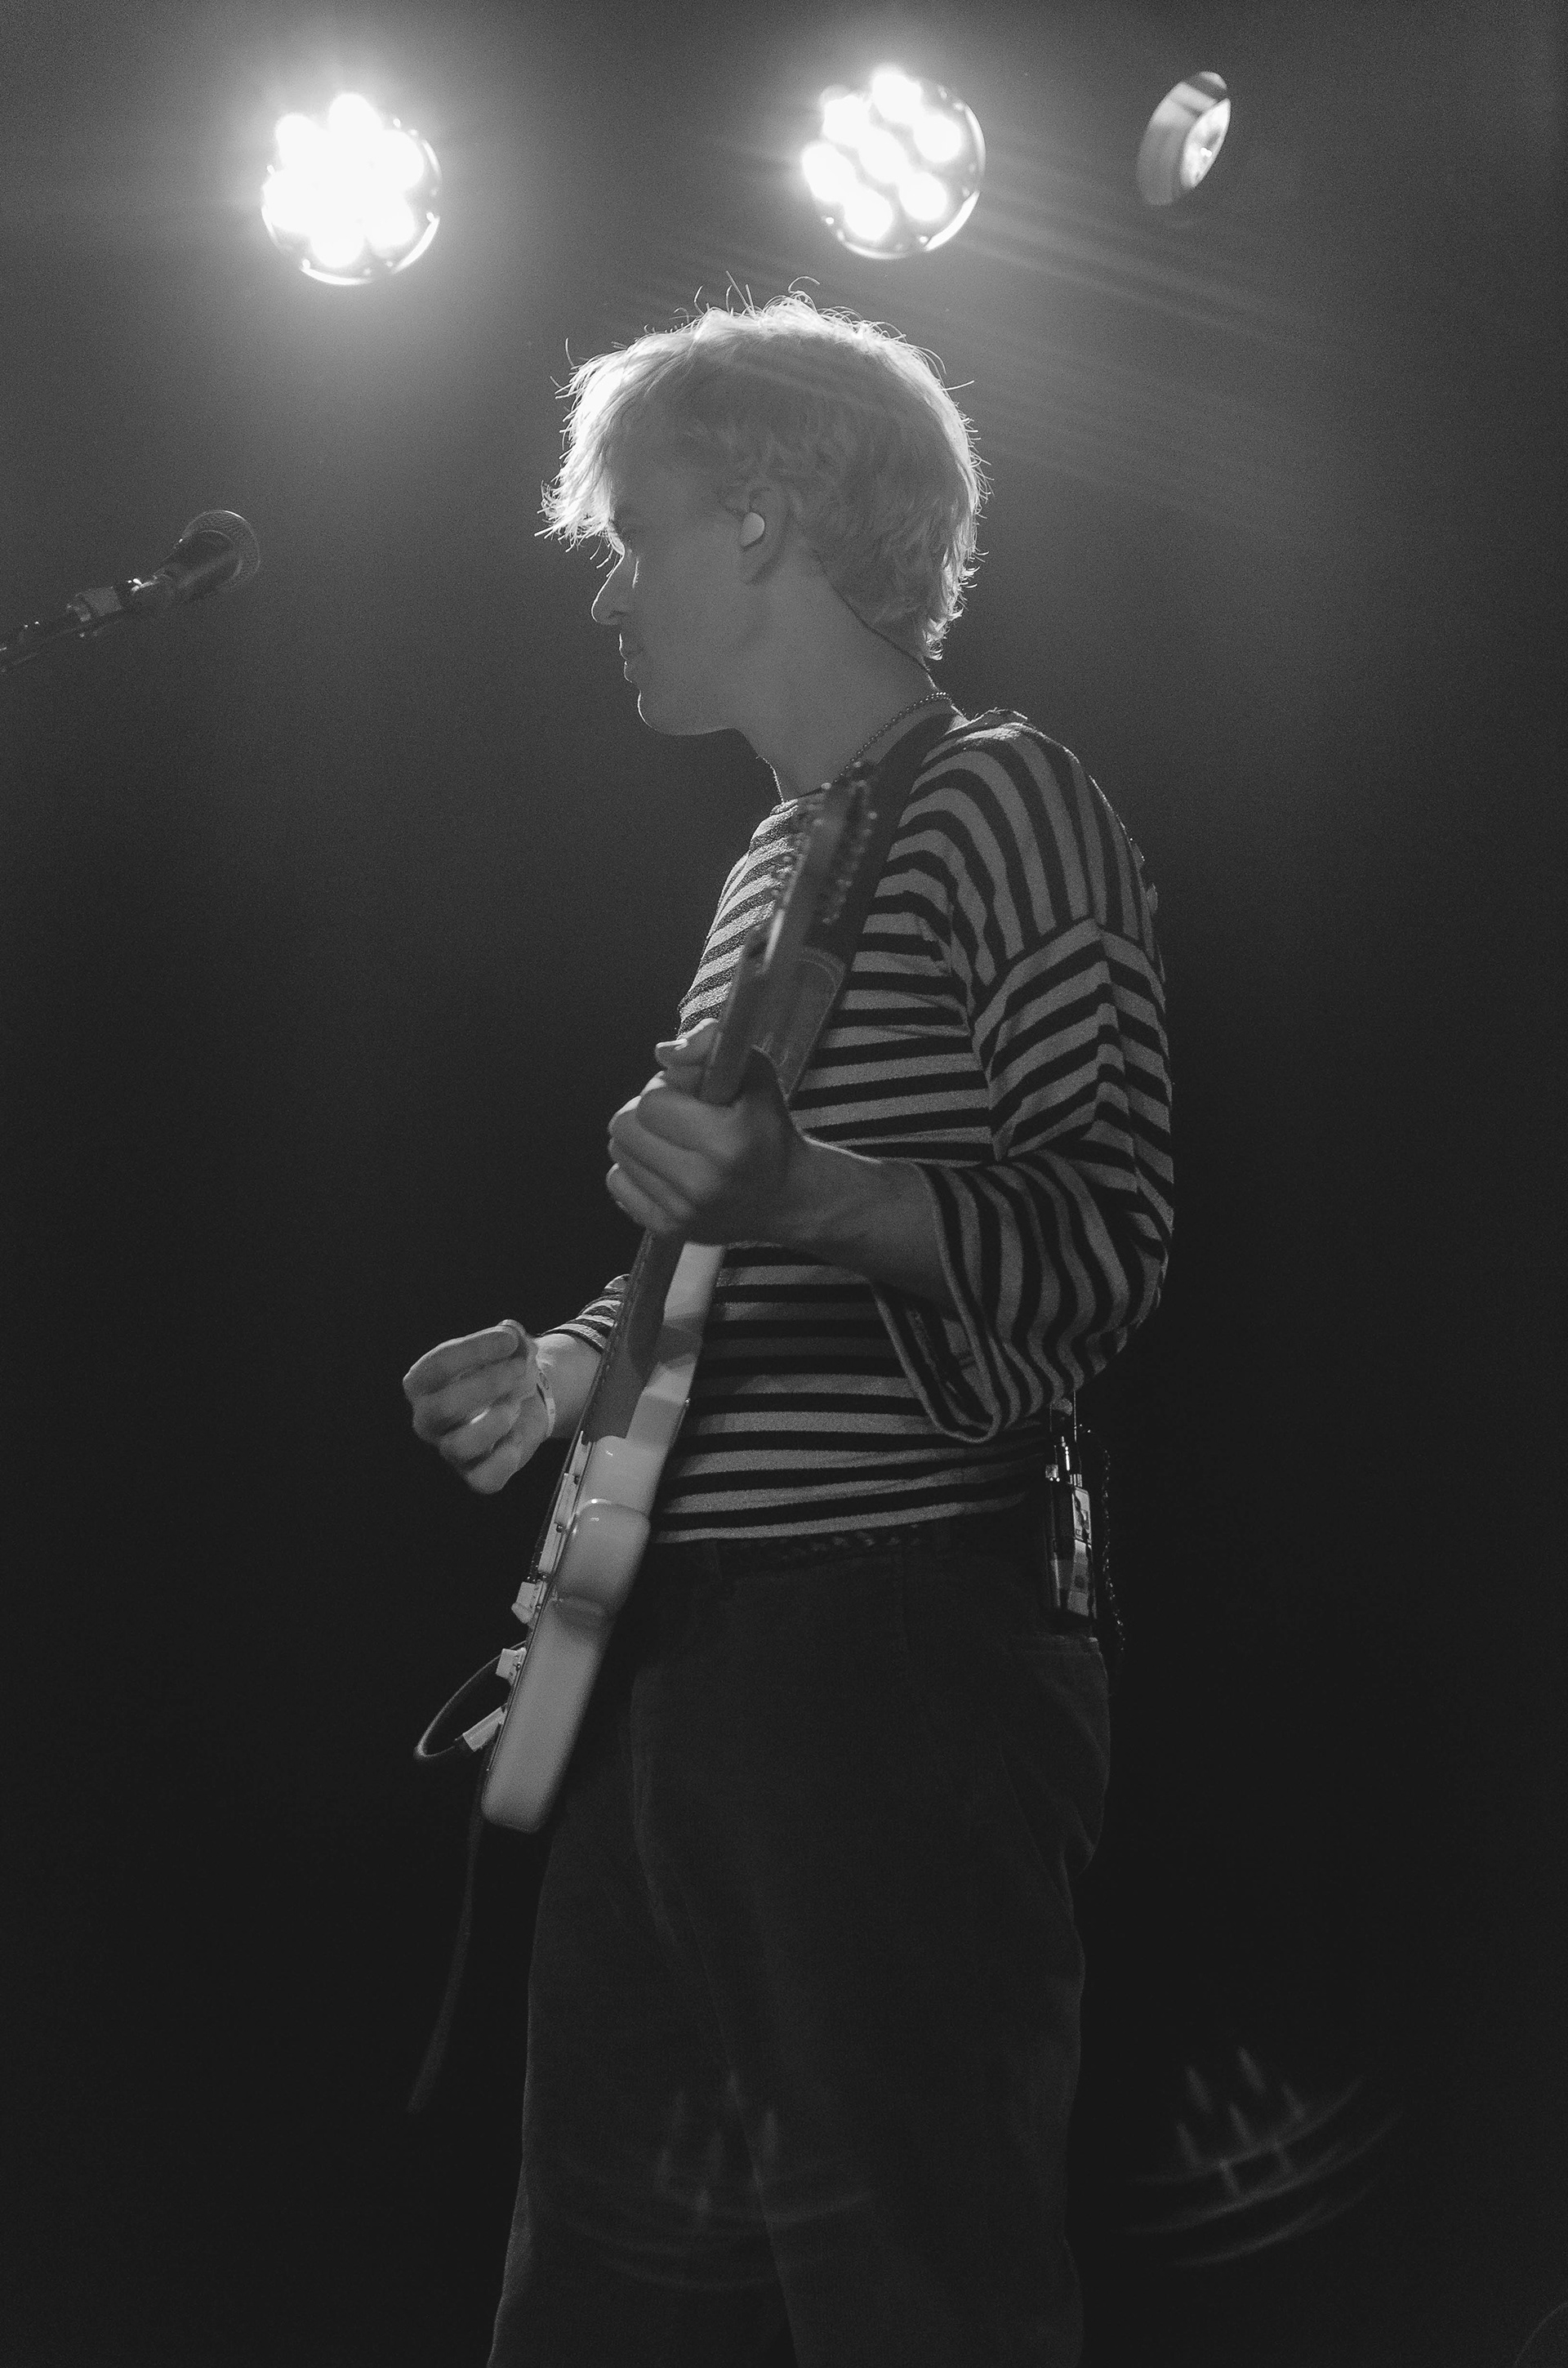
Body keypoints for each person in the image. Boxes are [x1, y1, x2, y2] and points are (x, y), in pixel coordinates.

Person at [403, 297, 1172, 2368]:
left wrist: (807, 1194)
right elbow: (721, 1254)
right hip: (673, 1653)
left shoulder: (1007, 799)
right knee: (600, 2299)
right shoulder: (772, 856)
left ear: (759, 519)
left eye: (631, 536)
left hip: (895, 1647)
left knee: (918, 2291)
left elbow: (1107, 1238)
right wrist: (562, 1367)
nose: (607, 594)